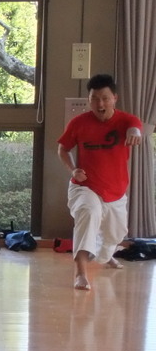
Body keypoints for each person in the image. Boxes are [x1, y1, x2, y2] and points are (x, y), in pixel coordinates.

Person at [57, 73, 142, 291]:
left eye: (105, 98)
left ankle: (106, 255)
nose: (100, 104)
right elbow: (63, 149)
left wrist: (134, 132)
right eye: (94, 99)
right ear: (89, 100)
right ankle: (80, 273)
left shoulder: (126, 120)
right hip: (85, 187)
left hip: (115, 191)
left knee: (116, 233)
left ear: (115, 98)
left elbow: (135, 126)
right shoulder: (79, 123)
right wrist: (73, 169)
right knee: (89, 213)